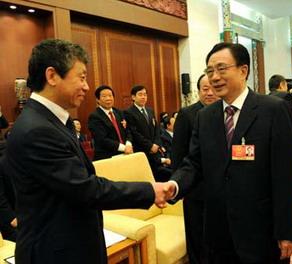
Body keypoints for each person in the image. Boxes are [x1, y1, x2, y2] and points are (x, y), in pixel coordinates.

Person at [2, 39, 168, 264]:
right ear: (52, 76)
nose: (87, 86)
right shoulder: (36, 129)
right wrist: (149, 191)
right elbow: (84, 188)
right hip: (55, 252)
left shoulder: (55, 121)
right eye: (81, 77)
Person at [160, 43, 292, 264]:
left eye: (221, 68)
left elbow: (287, 176)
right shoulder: (205, 117)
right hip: (218, 231)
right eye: (209, 71)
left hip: (261, 231)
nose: (214, 77)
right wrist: (174, 185)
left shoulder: (273, 110)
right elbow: (194, 163)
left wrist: (287, 231)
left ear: (243, 70)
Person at [171, 73, 218, 264]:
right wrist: (180, 185)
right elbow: (178, 153)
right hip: (195, 188)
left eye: (213, 88)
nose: (209, 93)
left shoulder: (224, 112)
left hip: (218, 188)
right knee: (197, 235)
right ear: (198, 91)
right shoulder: (187, 114)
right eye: (204, 89)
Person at [124, 85, 168, 180]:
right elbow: (134, 133)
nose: (143, 97)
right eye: (140, 94)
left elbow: (156, 128)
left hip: (155, 151)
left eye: (145, 94)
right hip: (141, 150)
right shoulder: (129, 112)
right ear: (133, 97)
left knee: (158, 177)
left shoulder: (150, 110)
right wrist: (150, 146)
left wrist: (156, 143)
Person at [88, 85, 133, 160]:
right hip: (107, 157)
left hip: (125, 154)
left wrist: (128, 143)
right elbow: (102, 139)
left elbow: (128, 130)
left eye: (110, 95)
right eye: (104, 96)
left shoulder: (119, 112)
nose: (108, 98)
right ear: (98, 100)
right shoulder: (94, 116)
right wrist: (123, 148)